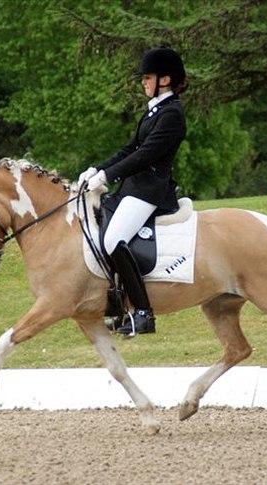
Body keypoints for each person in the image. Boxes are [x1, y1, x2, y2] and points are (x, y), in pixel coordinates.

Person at [78, 47, 187, 336]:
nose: (143, 82)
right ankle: (116, 304)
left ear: (165, 79)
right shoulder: (154, 111)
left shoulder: (172, 114)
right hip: (133, 188)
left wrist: (108, 176)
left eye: (147, 77)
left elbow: (146, 155)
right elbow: (130, 149)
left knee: (114, 239)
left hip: (151, 191)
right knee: (101, 230)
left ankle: (143, 312)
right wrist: (97, 169)